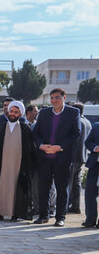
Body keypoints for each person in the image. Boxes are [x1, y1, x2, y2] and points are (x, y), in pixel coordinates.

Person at [32, 88, 80, 227]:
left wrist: (60, 147)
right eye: (52, 98)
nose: (54, 100)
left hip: (62, 158)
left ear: (64, 97)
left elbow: (76, 133)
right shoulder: (44, 113)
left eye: (57, 97)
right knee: (43, 188)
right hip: (44, 158)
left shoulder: (73, 112)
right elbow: (36, 133)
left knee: (61, 189)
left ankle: (60, 218)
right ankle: (43, 216)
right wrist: (41, 145)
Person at [0, 101, 34, 221]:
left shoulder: (25, 129)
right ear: (8, 112)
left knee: (16, 189)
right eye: (11, 111)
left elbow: (30, 150)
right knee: (0, 187)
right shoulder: (0, 127)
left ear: (20, 114)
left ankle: (15, 213)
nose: (13, 114)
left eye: (16, 112)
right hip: (1, 165)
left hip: (18, 166)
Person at [68, 103, 92, 214]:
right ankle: (76, 206)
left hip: (73, 155)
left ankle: (67, 206)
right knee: (76, 182)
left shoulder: (77, 121)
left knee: (69, 182)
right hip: (82, 155)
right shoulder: (87, 122)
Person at [82, 121, 99, 228]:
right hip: (94, 165)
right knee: (89, 193)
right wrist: (95, 147)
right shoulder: (96, 126)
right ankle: (90, 219)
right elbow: (88, 142)